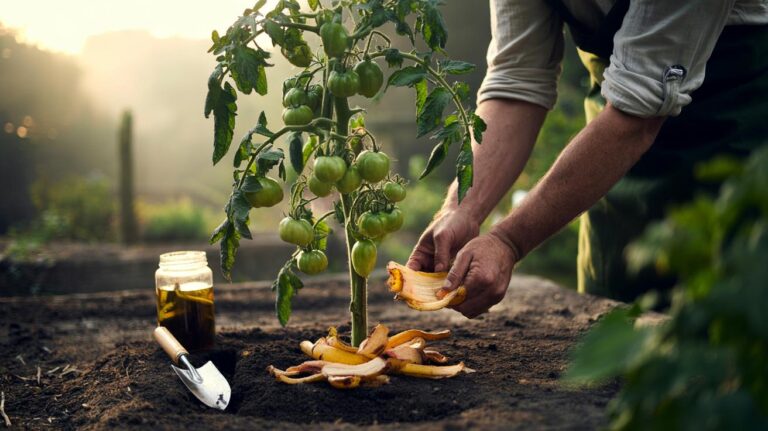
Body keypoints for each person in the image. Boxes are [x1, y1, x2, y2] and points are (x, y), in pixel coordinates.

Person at [407, 0, 768, 318]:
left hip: (733, 160)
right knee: (610, 349)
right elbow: (517, 79)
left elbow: (636, 112)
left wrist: (508, 241)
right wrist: (462, 208)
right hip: (606, 169)